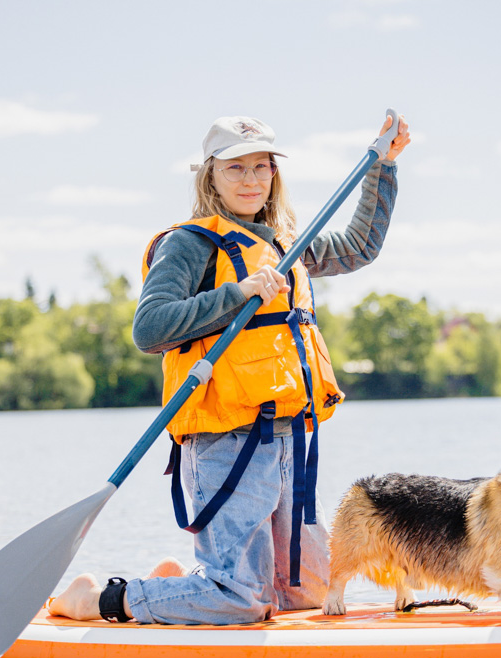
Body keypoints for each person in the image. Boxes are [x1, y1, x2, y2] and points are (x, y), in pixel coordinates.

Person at [50, 112, 411, 624]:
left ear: (273, 175)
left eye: (261, 167)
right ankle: (98, 600)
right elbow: (149, 329)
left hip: (289, 439)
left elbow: (358, 247)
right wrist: (238, 293)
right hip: (225, 442)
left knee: (309, 593)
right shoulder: (189, 244)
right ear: (211, 177)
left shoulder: (285, 242)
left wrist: (385, 167)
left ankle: (182, 590)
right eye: (235, 168)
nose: (250, 180)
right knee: (240, 600)